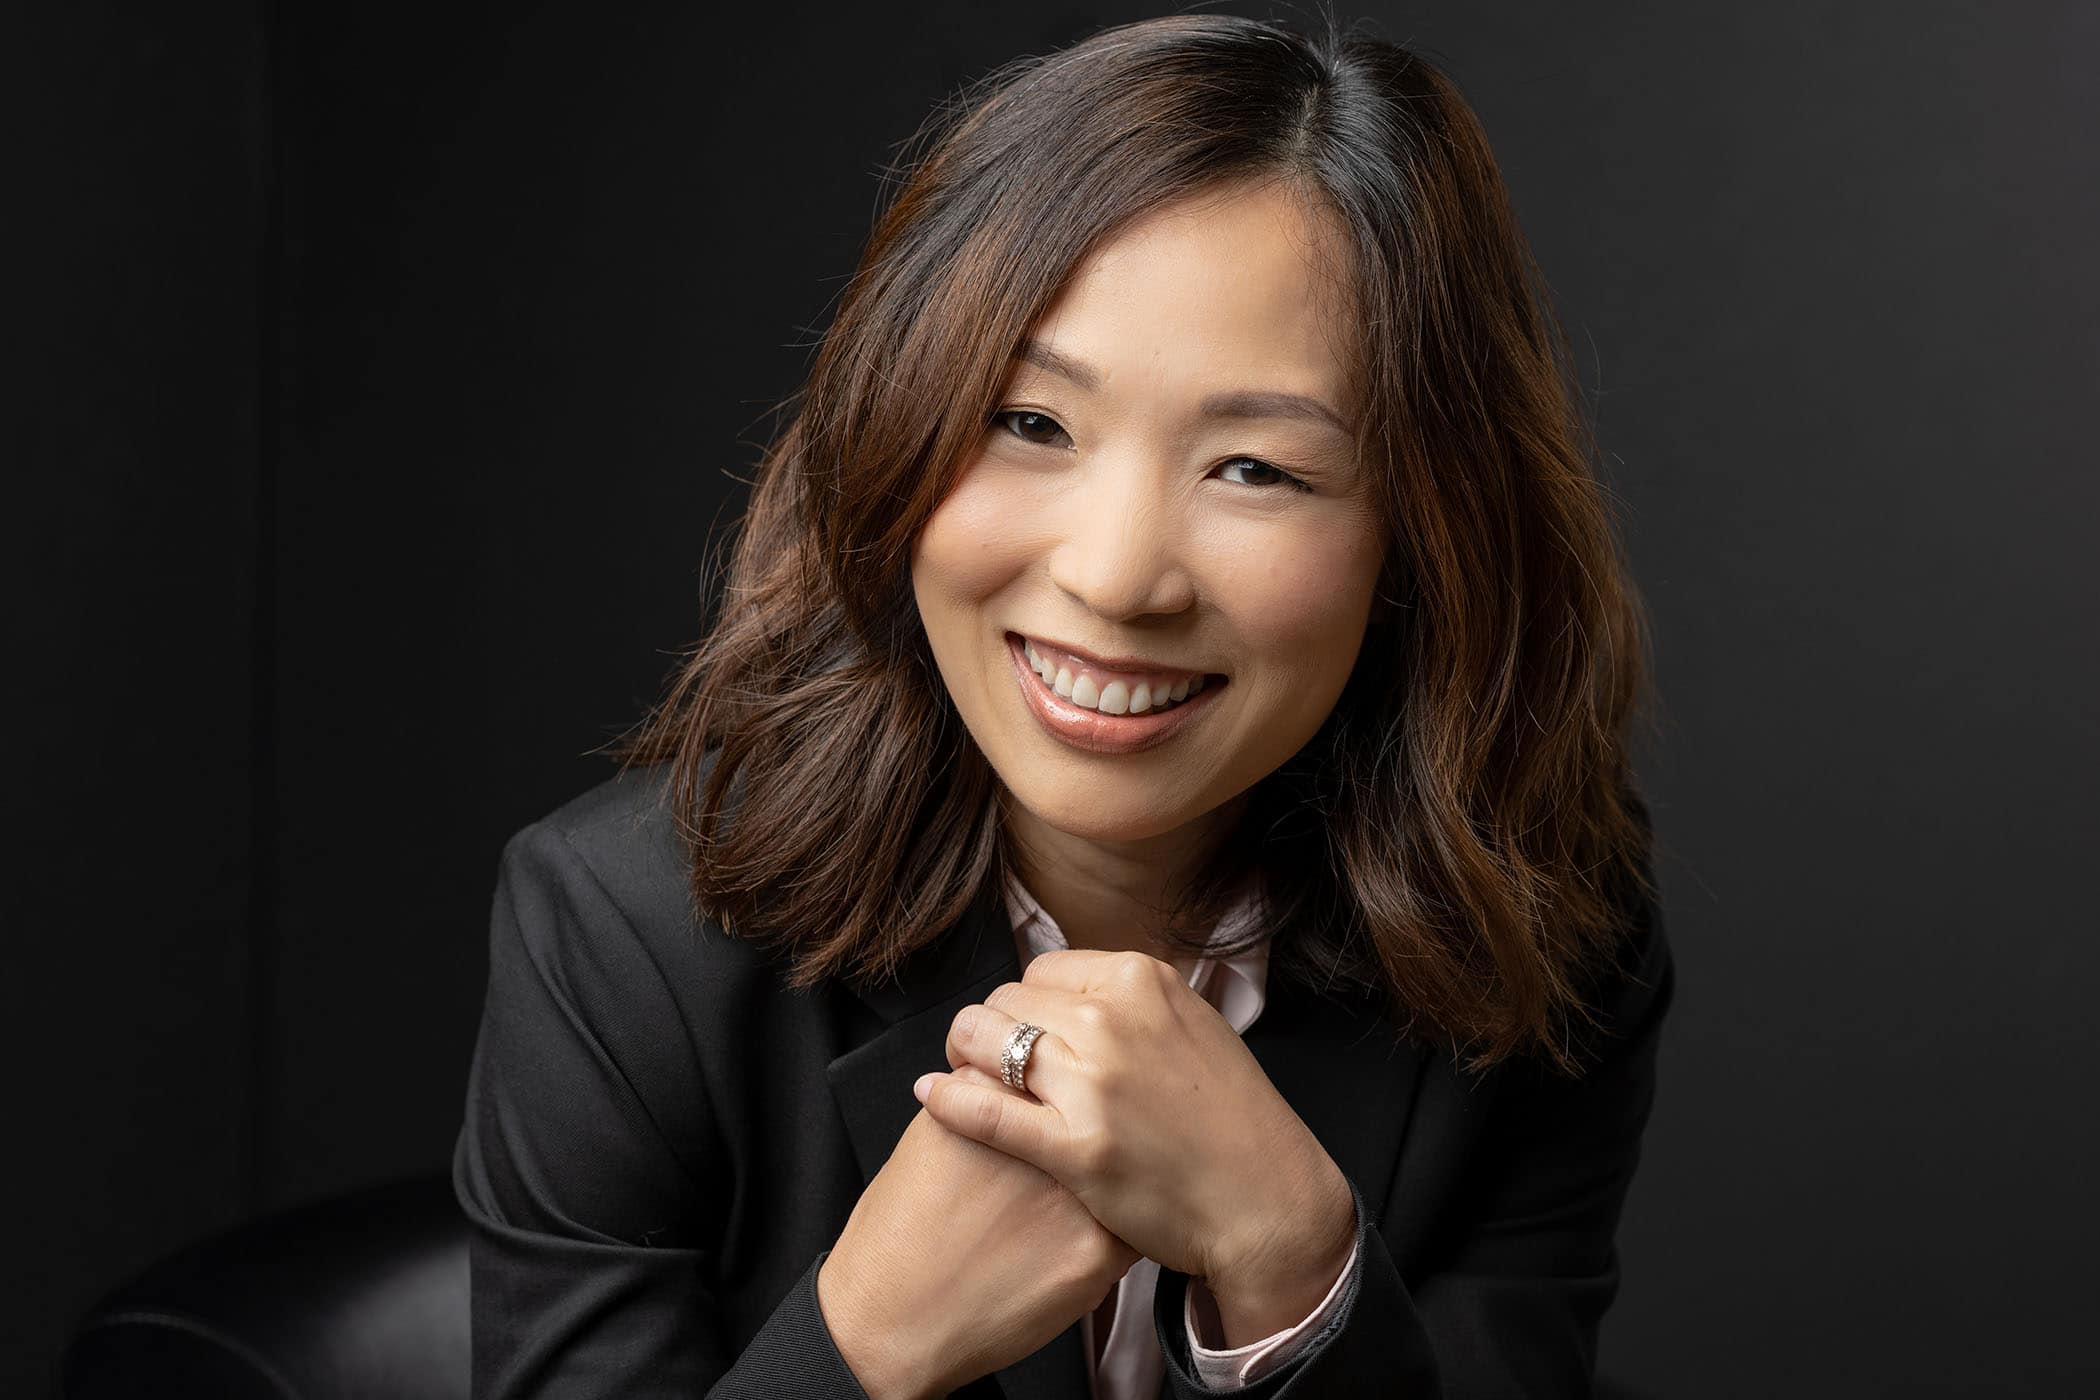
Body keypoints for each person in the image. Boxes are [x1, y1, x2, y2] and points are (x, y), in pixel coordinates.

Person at [451, 12, 1675, 1399]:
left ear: (1426, 533)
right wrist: (862, 1344)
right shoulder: (626, 939)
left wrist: (1293, 1263)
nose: (1114, 577)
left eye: (1257, 468)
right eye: (1030, 425)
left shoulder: (1541, 929)